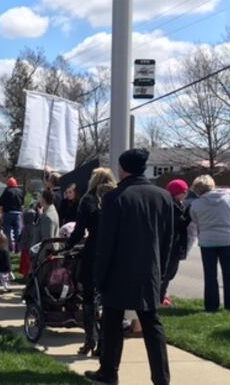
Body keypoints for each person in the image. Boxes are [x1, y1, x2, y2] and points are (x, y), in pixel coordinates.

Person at [87, 148, 172, 385]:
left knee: (112, 323)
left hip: (118, 271)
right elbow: (168, 241)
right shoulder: (163, 196)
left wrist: (99, 275)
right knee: (151, 324)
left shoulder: (114, 198)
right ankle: (161, 378)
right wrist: (163, 274)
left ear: (123, 169)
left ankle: (109, 372)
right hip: (150, 270)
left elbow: (106, 243)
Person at [68, 167, 116, 357]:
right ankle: (104, 342)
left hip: (94, 250)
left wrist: (68, 245)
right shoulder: (118, 197)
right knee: (109, 299)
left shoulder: (88, 199)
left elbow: (79, 231)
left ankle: (90, 339)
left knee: (89, 297)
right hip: (114, 251)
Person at [189, 175, 230, 313]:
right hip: (228, 240)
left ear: (197, 190)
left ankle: (211, 306)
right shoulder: (228, 198)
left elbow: (195, 219)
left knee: (210, 275)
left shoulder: (196, 204)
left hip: (207, 241)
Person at [161, 179, 190, 307]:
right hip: (170, 244)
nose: (186, 193)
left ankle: (162, 295)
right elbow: (178, 223)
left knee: (170, 273)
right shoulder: (170, 206)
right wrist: (187, 217)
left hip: (175, 244)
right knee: (167, 272)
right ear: (178, 192)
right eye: (184, 191)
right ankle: (160, 297)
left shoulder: (178, 204)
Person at [0, 177, 25, 252]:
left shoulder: (7, 191)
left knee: (7, 232)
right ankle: (18, 248)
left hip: (8, 213)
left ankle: (9, 248)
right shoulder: (20, 191)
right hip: (18, 214)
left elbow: (0, 202)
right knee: (17, 232)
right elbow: (22, 203)